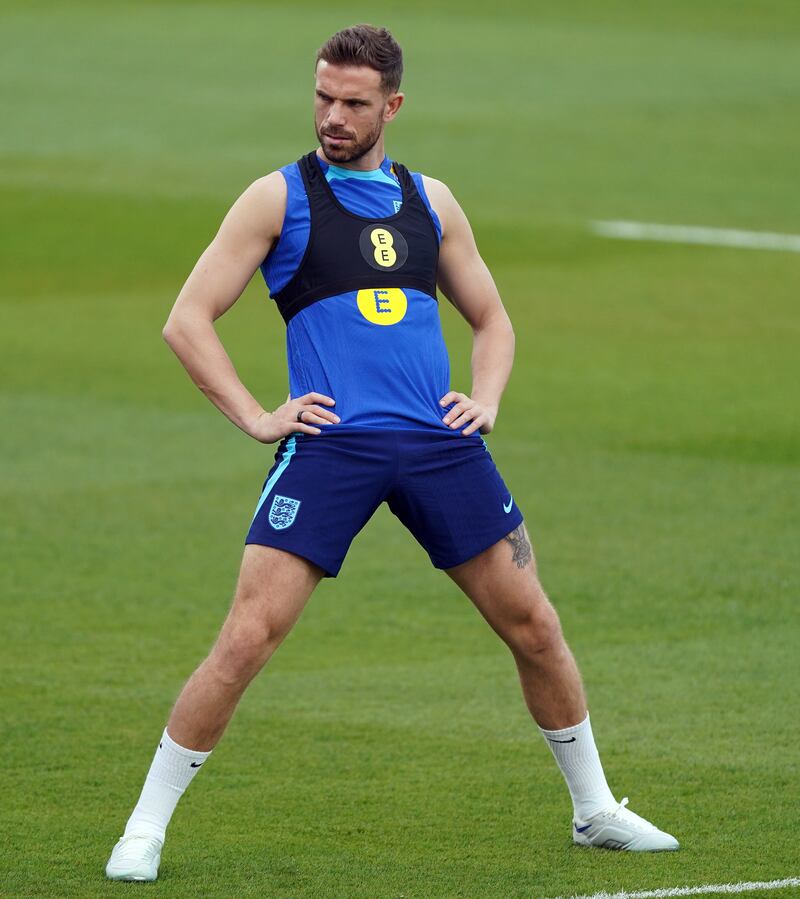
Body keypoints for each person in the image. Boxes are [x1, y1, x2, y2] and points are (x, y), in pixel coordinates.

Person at [105, 23, 678, 883]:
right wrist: (260, 417)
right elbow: (186, 320)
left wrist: (485, 399)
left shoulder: (431, 201)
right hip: (331, 448)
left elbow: (493, 319)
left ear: (393, 106)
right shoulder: (277, 198)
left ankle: (595, 808)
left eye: (353, 103)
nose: (332, 117)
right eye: (323, 98)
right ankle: (145, 828)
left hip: (439, 447)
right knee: (248, 637)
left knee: (535, 624)